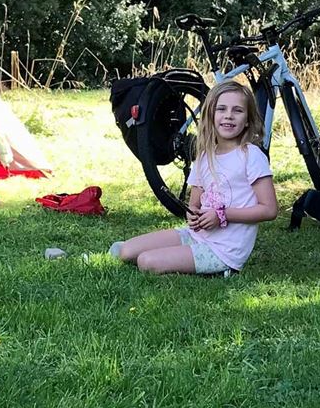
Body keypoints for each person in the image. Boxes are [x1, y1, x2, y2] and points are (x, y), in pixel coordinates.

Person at [115, 80, 278, 275]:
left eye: (237, 110)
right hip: (197, 235)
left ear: (248, 120)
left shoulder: (251, 156)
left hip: (223, 250)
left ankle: (222, 270)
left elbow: (269, 210)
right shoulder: (204, 156)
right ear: (210, 115)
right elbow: (194, 205)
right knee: (126, 251)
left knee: (146, 262)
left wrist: (222, 215)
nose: (228, 115)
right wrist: (192, 214)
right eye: (221, 109)